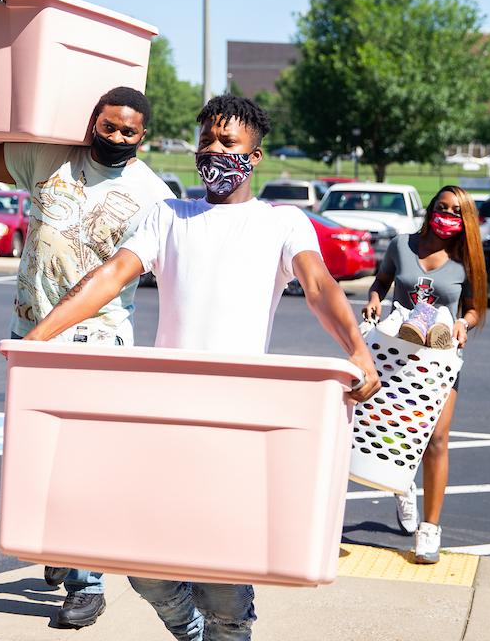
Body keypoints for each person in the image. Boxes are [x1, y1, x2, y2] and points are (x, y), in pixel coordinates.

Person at [24, 94, 381, 641]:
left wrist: (356, 348)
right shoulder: (168, 216)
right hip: (165, 415)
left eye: (228, 142)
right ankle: (189, 630)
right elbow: (107, 279)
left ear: (254, 156)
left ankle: (227, 633)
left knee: (220, 574)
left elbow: (318, 287)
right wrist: (38, 339)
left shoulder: (282, 223)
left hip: (236, 423)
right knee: (142, 563)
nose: (214, 151)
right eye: (207, 141)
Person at [0, 46, 174, 627]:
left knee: (84, 462)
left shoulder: (153, 195)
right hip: (30, 333)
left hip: (99, 342)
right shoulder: (47, 157)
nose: (117, 136)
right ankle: (62, 550)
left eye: (128, 131)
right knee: (37, 456)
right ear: (92, 122)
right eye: (108, 126)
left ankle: (86, 583)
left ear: (143, 135)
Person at [360, 185, 488, 564]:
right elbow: (381, 282)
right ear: (431, 209)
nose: (447, 216)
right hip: (396, 352)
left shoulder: (467, 261)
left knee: (436, 438)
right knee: (392, 429)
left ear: (465, 222)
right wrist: (373, 299)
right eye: (442, 208)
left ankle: (429, 528)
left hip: (439, 358)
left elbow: (476, 308)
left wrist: (464, 323)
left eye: (456, 212)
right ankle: (402, 486)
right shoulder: (402, 245)